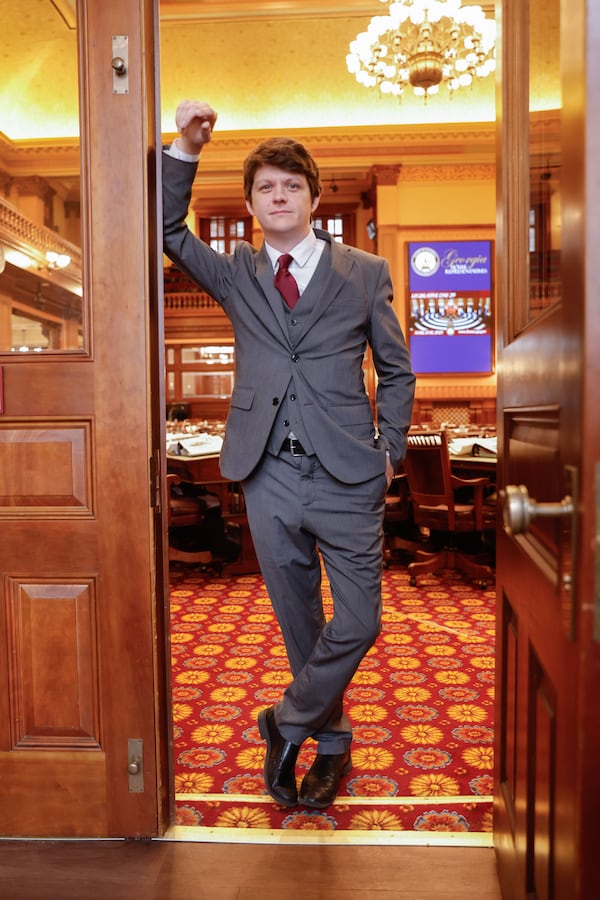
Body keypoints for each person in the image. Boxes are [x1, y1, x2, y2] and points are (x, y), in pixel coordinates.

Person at [163, 100, 415, 810]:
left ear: (312, 198)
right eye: (267, 188)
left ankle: (286, 720)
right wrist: (185, 146)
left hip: (349, 474)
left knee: (360, 620)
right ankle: (331, 746)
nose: (280, 196)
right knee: (299, 620)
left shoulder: (364, 272)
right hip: (267, 473)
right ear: (251, 204)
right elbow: (164, 227)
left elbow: (396, 370)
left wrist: (390, 449)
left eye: (292, 186)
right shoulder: (238, 272)